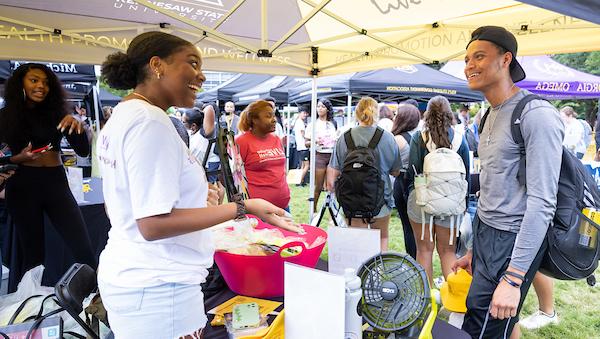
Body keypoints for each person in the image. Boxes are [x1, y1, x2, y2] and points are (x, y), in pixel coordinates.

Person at [98, 31, 302, 338]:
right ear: (157, 65)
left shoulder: (127, 115)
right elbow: (152, 224)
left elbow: (133, 201)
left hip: (144, 279)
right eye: (192, 63)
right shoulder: (150, 122)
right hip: (159, 289)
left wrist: (195, 199)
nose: (202, 76)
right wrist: (244, 207)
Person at [454, 26, 564, 339]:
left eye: (478, 56)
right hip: (486, 234)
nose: (469, 65)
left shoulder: (536, 114)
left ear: (505, 59)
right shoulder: (484, 116)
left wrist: (513, 279)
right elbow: (492, 188)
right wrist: (476, 251)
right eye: (466, 59)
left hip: (514, 238)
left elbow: (543, 203)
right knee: (491, 320)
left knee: (484, 326)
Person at [0, 63, 97, 289]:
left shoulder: (58, 114)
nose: (41, 86)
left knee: (82, 247)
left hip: (55, 183)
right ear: (20, 84)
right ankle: (32, 307)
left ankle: (97, 297)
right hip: (22, 186)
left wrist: (79, 127)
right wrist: (16, 159)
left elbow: (82, 151)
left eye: (45, 82)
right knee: (33, 256)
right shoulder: (5, 117)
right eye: (34, 80)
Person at [406, 96, 470, 284]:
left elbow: (413, 171)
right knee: (447, 252)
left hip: (422, 201)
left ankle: (426, 300)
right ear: (450, 114)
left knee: (424, 250)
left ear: (427, 114)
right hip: (451, 202)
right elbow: (465, 174)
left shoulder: (420, 137)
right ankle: (452, 302)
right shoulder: (459, 139)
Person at [327, 97, 401, 251]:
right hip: (380, 198)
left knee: (356, 241)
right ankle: (376, 272)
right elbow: (396, 171)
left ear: (356, 113)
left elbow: (333, 173)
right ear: (377, 114)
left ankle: (356, 271)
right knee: (382, 237)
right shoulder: (388, 137)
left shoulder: (344, 138)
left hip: (351, 198)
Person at [236, 100, 291, 210]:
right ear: (255, 120)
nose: (274, 120)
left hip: (283, 206)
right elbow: (232, 176)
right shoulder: (242, 142)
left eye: (274, 115)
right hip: (257, 211)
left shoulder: (276, 139)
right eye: (268, 116)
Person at [390, 103, 421, 259]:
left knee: (407, 226)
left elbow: (391, 166)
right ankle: (419, 258)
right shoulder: (421, 137)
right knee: (418, 227)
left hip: (402, 182)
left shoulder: (397, 139)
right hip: (418, 184)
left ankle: (412, 258)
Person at [305, 99, 338, 212]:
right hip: (319, 155)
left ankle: (332, 210)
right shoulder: (312, 124)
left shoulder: (333, 123)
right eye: (318, 106)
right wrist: (315, 141)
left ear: (327, 109)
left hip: (332, 155)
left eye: (322, 106)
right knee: (318, 186)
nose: (320, 108)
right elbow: (306, 143)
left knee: (332, 185)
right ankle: (313, 209)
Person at [294, 107, 310, 185]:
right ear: (299, 113)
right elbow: (304, 135)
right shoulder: (300, 122)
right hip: (303, 146)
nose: (305, 115)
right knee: (307, 165)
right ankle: (299, 181)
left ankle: (301, 181)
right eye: (304, 113)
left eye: (306, 113)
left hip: (300, 146)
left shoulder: (298, 122)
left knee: (303, 165)